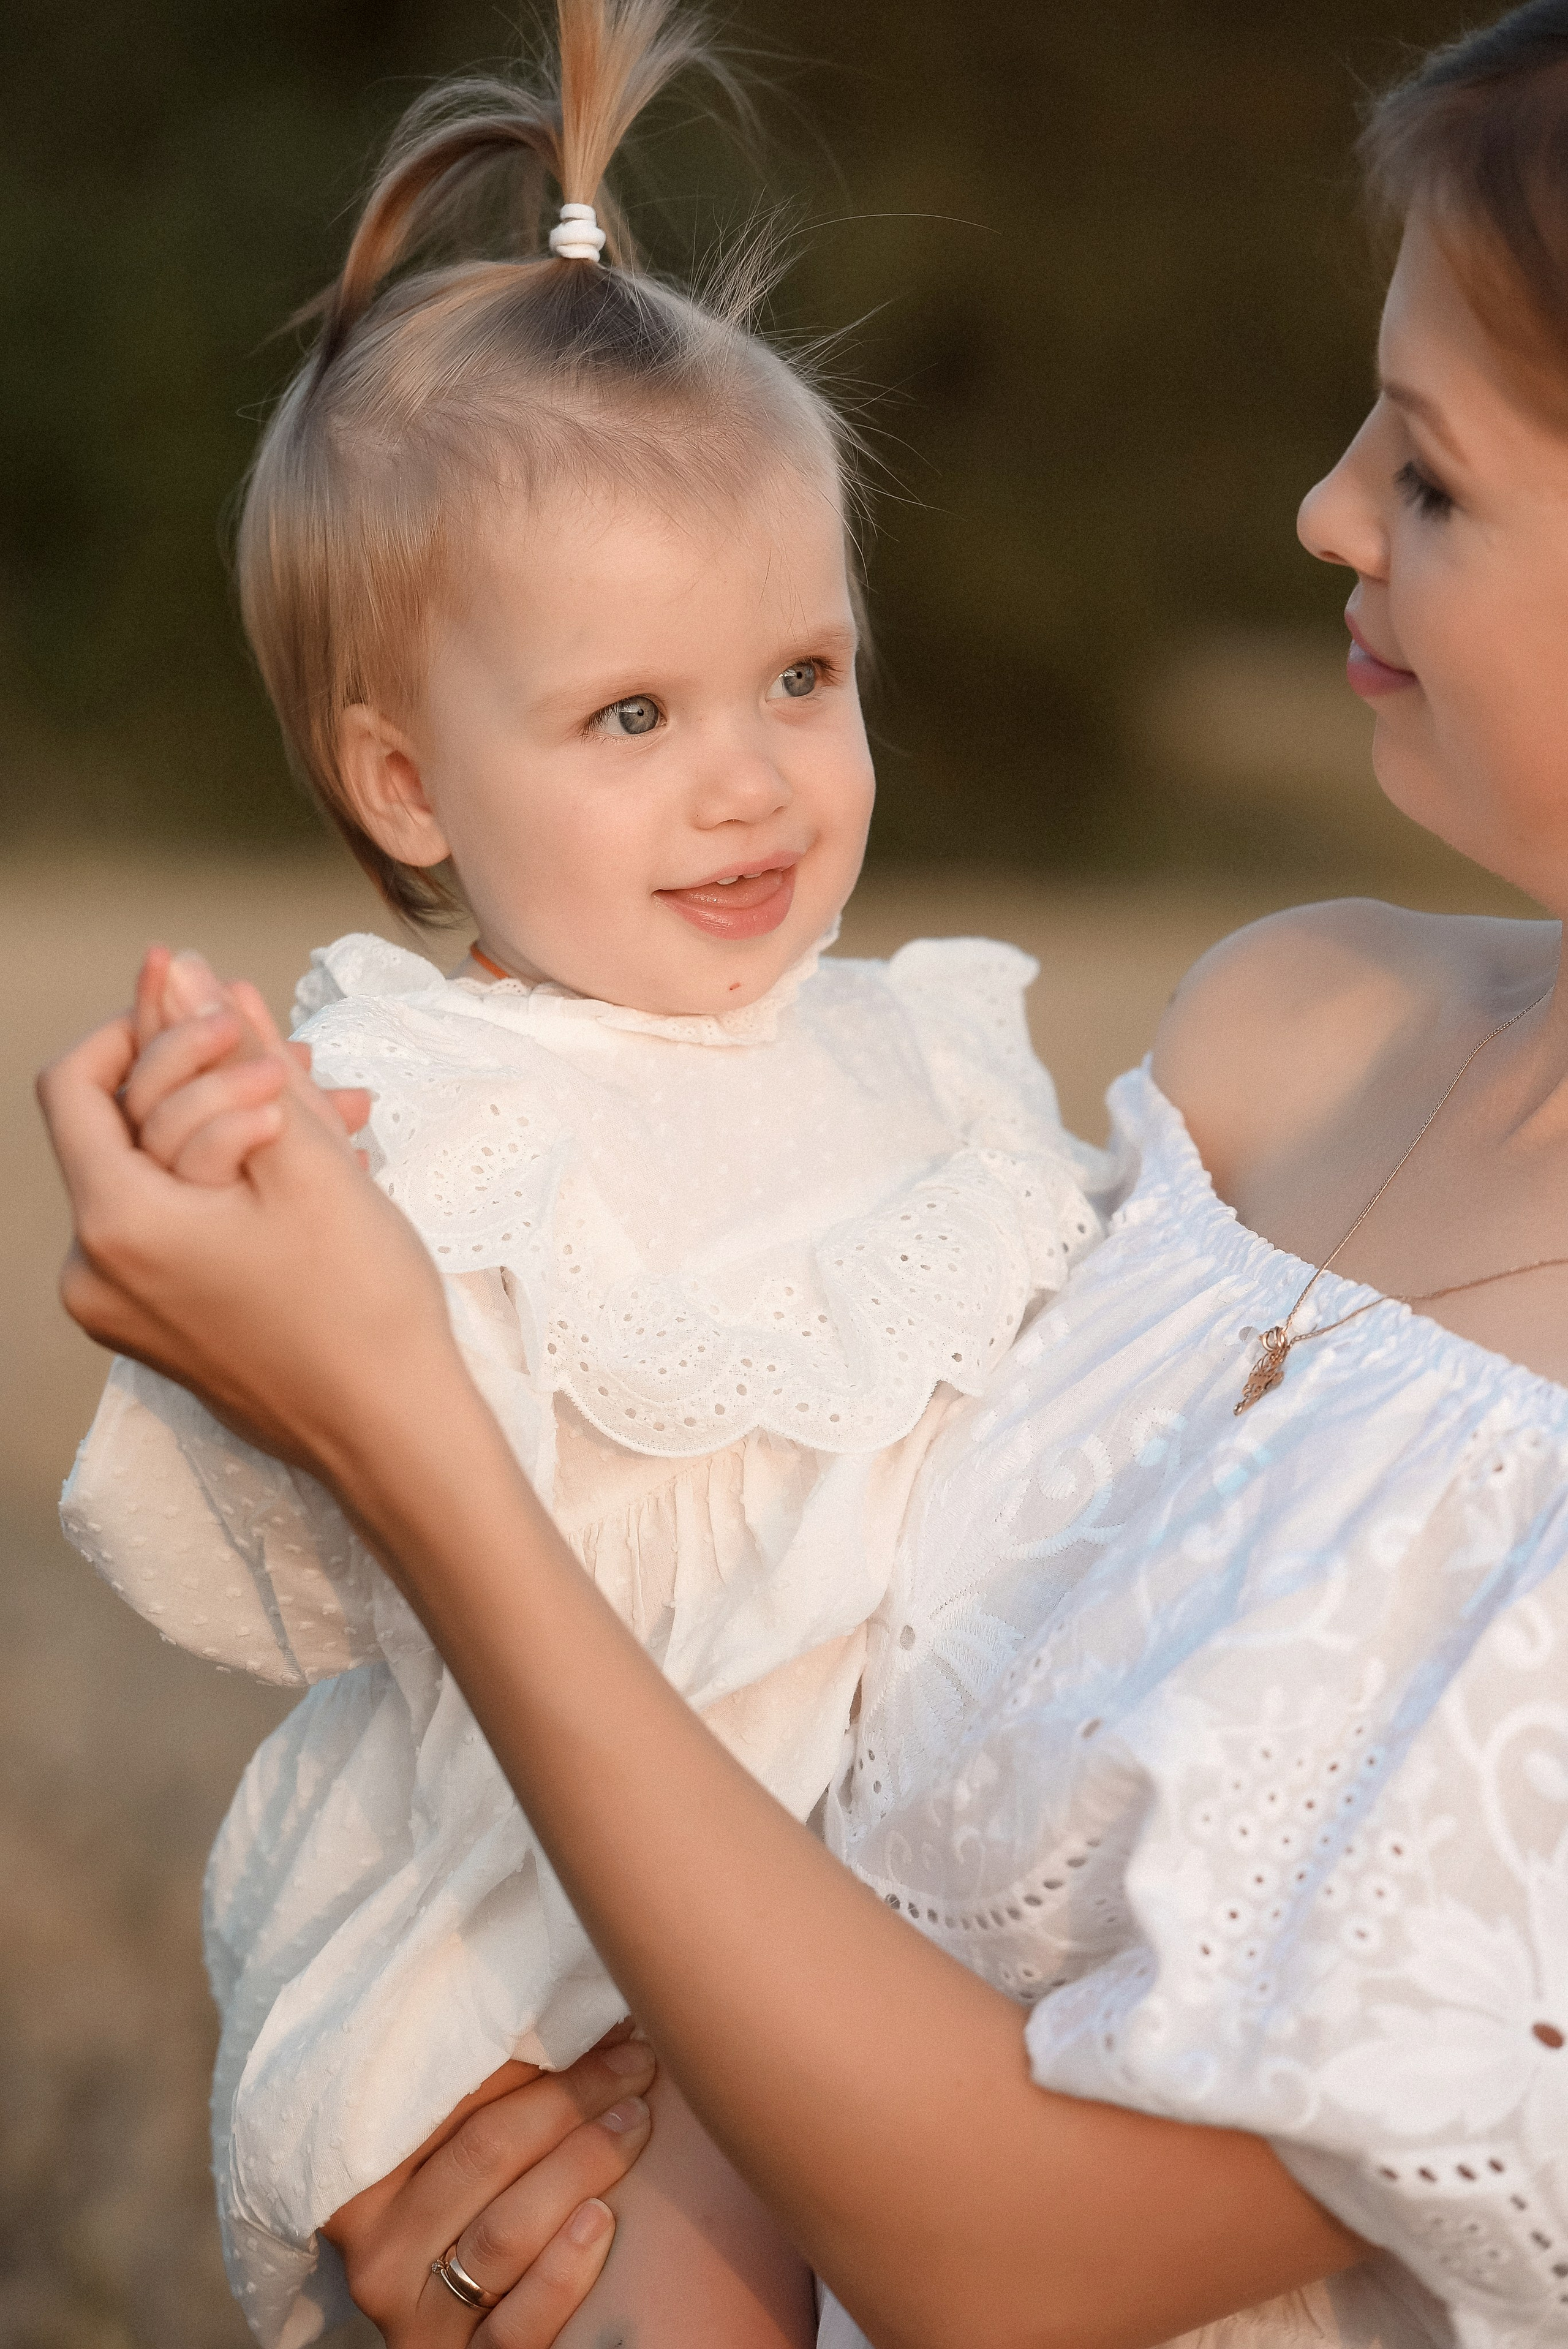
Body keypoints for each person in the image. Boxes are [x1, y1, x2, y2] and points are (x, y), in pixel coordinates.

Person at [39, 1, 1568, 2343]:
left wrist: (403, 1429)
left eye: (1435, 474)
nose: (1323, 507)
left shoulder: (943, 1060)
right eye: (636, 713)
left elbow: (1029, 2267)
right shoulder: (1281, 1032)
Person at [53, 2, 1109, 2342]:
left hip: (917, 1963)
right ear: (408, 784)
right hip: (559, 1967)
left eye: (802, 677)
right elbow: (312, 1527)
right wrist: (243, 1203)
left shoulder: (934, 1049)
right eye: (632, 715)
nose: (747, 781)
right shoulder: (443, 1115)